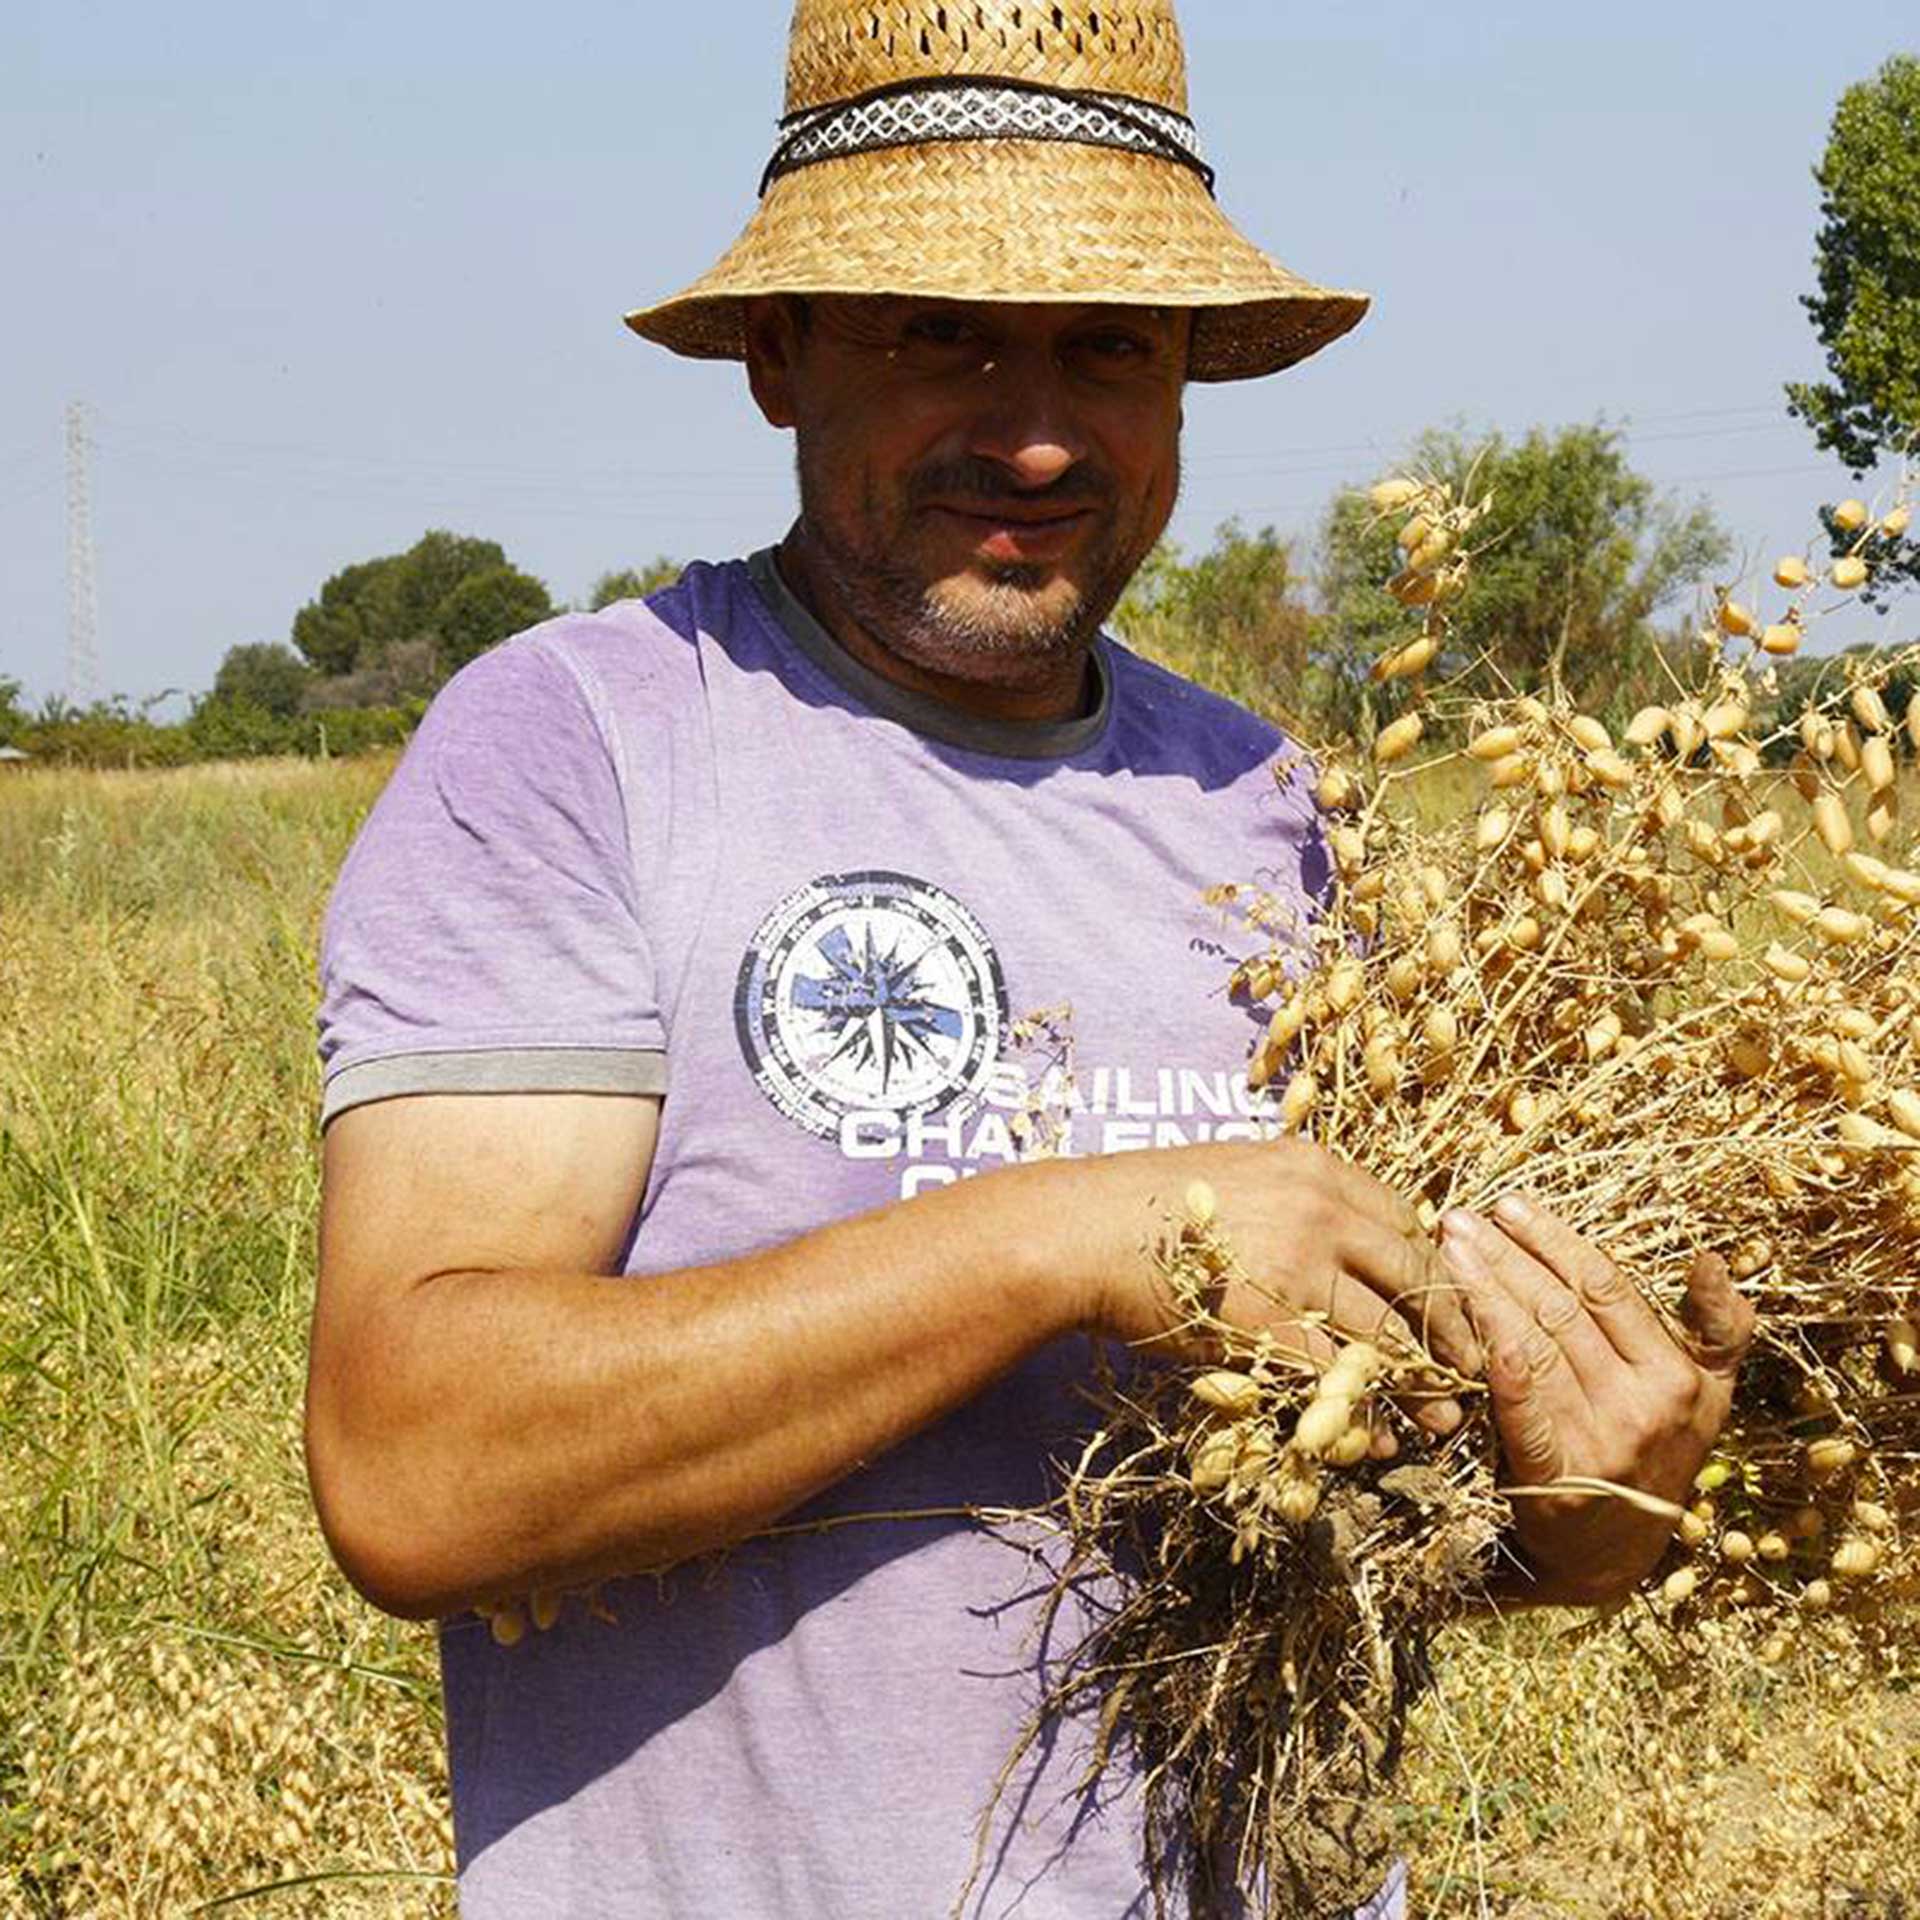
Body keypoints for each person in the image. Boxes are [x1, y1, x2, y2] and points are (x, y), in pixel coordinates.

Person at [304, 4, 1755, 1914]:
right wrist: (1072, 1242)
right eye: (941, 336)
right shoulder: (584, 746)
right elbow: (416, 1466)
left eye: (1111, 347)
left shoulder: (1275, 810)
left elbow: (1334, 1506)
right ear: (776, 353)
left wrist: (1569, 1520)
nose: (1039, 427)